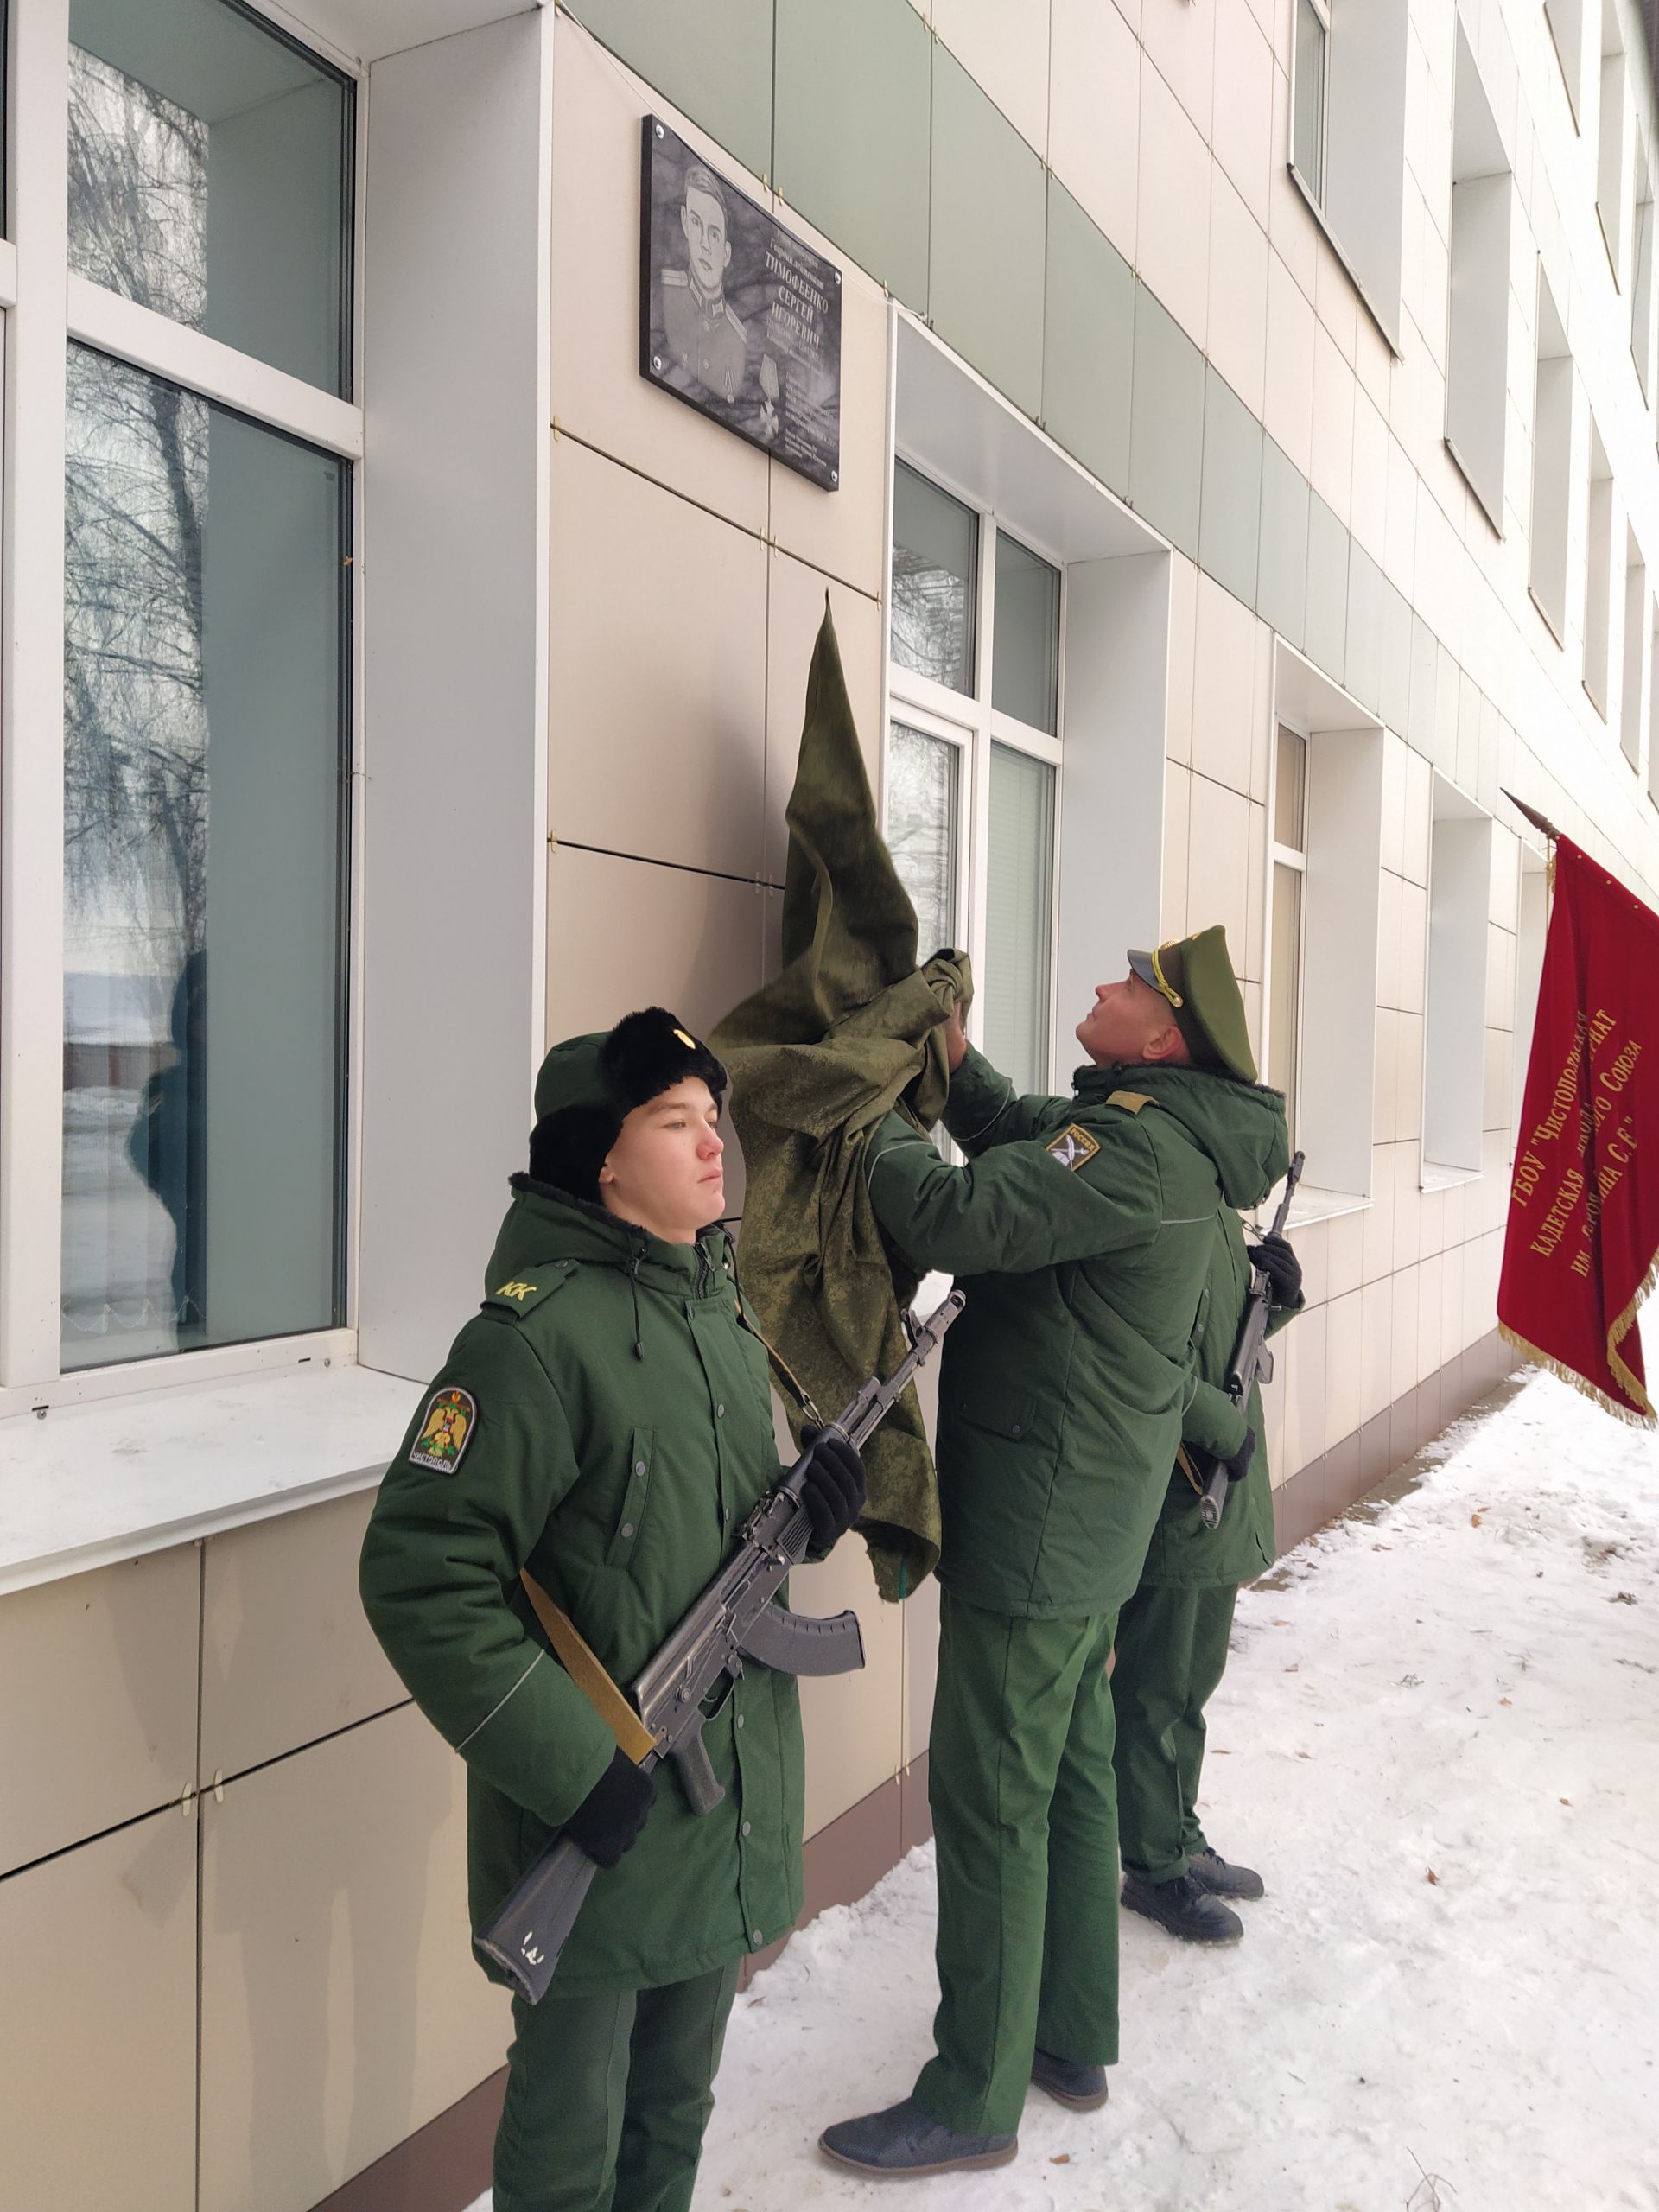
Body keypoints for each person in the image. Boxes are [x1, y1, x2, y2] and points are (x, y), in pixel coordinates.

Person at [359, 1007, 865, 2212]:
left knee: (674, 2110)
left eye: (714, 1122)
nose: (712, 1149)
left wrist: (810, 1508)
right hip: (590, 1814)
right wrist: (575, 1770)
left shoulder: (720, 1317)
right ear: (600, 1155)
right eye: (675, 1122)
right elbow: (421, 1575)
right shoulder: (529, 1345)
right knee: (569, 2137)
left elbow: (706, 1537)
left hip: (713, 1804)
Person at [819, 928, 1291, 2178]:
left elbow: (955, 1211)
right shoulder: (1161, 1133)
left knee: (990, 1800)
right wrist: (955, 1068)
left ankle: (973, 2094)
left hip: (1038, 1524)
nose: (1098, 987)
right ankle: (1072, 2033)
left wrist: (863, 1102)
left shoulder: (1131, 1148)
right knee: (1074, 1772)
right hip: (1087, 1523)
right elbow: (1027, 1131)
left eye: (1127, 985)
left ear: (1165, 1033)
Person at [1113, 1074, 1305, 1944]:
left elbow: (1229, 1344)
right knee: (1155, 1690)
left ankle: (1179, 1833)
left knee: (1193, 1684)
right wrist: (1220, 1431)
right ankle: (1153, 1864)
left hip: (1217, 1493)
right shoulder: (1173, 1201)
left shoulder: (1219, 1214)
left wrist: (1278, 1297)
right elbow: (1153, 1360)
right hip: (1182, 1489)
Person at [661, 161, 748, 401]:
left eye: (714, 234)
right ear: (684, 223)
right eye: (697, 223)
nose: (704, 244)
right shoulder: (665, 296)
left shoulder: (739, 340)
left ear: (726, 254)